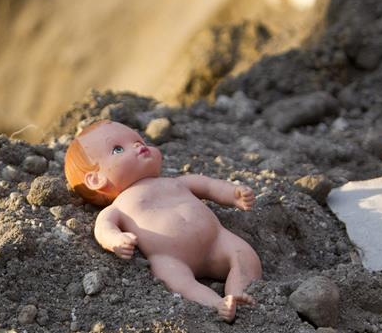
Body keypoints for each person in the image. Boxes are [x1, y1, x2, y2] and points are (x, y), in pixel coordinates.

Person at [65, 120, 262, 322]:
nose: (137, 145)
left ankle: (239, 290)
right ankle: (216, 304)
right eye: (117, 149)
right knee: (178, 282)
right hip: (171, 258)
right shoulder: (119, 206)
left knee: (244, 255)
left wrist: (233, 194)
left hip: (217, 240)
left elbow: (210, 186)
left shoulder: (174, 182)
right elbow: (102, 228)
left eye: (138, 140)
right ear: (96, 180)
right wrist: (116, 241)